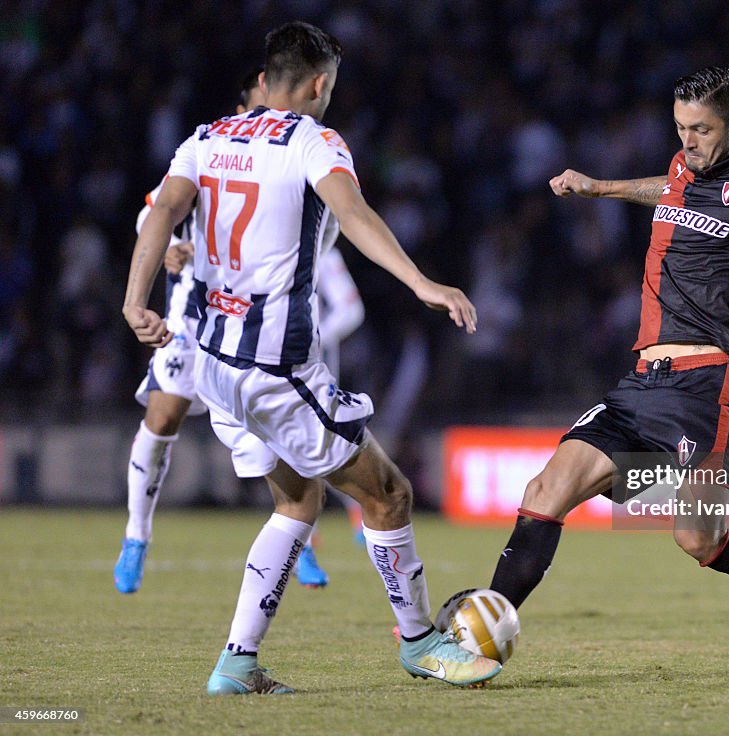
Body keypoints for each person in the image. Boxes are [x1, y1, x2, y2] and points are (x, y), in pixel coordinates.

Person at [123, 21, 500, 692]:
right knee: (388, 494)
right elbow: (352, 215)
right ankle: (420, 644)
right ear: (321, 84)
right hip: (274, 367)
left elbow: (159, 215)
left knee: (297, 500)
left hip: (214, 359)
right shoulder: (314, 141)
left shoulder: (205, 138)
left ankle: (237, 664)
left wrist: (134, 300)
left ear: (265, 80)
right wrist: (422, 283)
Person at [487, 67, 729, 686]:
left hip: (709, 384)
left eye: (702, 130)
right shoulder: (684, 168)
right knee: (543, 493)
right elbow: (666, 188)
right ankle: (480, 638)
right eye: (681, 128)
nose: (688, 142)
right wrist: (599, 188)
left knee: (698, 539)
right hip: (641, 381)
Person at [114, 67, 365, 594]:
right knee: (163, 416)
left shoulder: (295, 159)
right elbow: (155, 211)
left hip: (259, 332)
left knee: (288, 447)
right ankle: (136, 535)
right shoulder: (212, 145)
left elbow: (332, 234)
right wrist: (169, 249)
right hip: (193, 318)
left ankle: (302, 546)